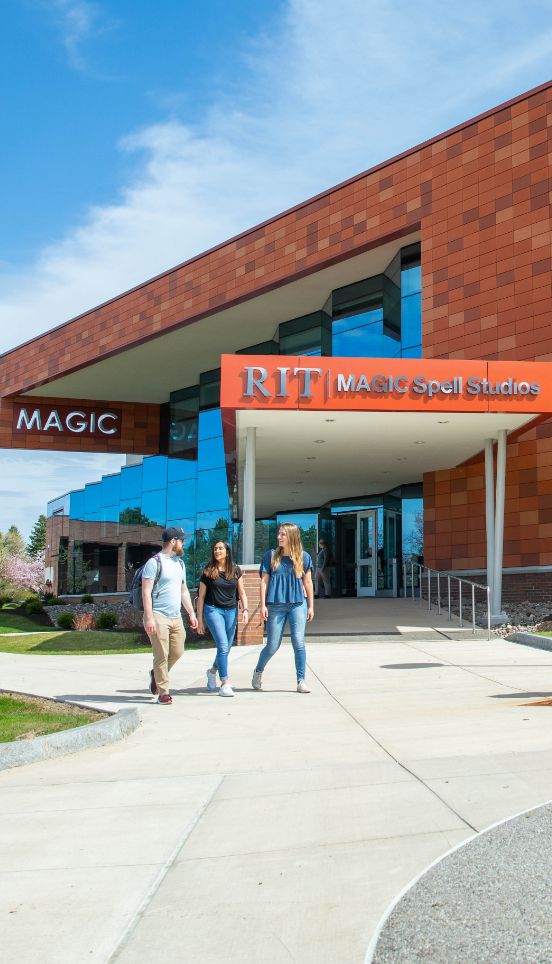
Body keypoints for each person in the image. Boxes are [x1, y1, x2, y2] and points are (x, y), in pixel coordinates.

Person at [252, 523, 314, 694]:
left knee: (298, 642)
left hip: (298, 604)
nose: (279, 537)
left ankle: (301, 680)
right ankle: (258, 671)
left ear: (292, 537)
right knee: (272, 645)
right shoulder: (270, 556)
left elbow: (308, 583)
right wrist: (262, 605)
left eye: (283, 534)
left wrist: (311, 606)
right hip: (276, 605)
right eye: (279, 534)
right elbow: (263, 582)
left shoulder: (304, 557)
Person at [142, 526, 198, 705]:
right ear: (173, 542)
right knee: (161, 654)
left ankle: (155, 674)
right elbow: (146, 591)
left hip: (176, 616)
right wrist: (149, 617)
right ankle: (163, 692)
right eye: (182, 540)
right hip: (158, 615)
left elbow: (183, 591)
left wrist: (191, 613)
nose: (184, 543)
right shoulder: (154, 562)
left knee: (178, 651)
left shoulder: (180, 563)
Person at [197, 540, 249, 697]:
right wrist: (200, 619)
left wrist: (245, 609)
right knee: (222, 644)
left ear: (227, 551)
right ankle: (225, 683)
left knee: (226, 647)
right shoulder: (208, 570)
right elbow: (201, 597)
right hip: (213, 610)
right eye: (215, 549)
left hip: (231, 611)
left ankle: (212, 671)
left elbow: (242, 592)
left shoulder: (235, 569)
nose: (217, 551)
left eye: (220, 548)